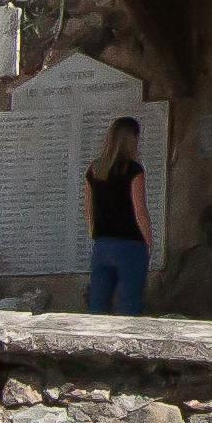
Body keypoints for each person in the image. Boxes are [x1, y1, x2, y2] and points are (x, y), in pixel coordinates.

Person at [83, 116, 150, 317]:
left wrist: (95, 235)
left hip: (102, 245)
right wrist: (148, 242)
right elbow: (140, 211)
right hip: (130, 245)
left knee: (98, 307)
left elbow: (89, 210)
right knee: (129, 307)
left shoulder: (94, 170)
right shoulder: (134, 170)